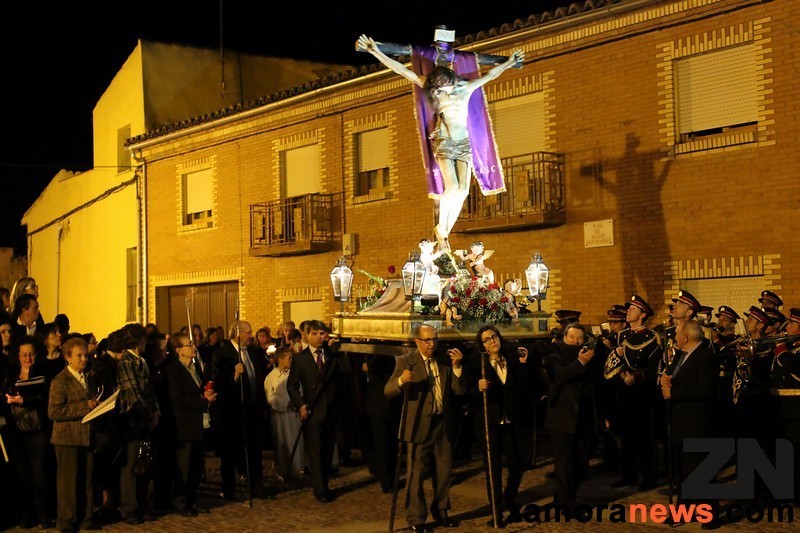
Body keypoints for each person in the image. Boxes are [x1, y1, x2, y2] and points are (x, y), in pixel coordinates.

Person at [357, 34, 523, 250]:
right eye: (439, 90)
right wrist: (375, 51)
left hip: (464, 142)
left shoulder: (465, 88)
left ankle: (444, 232)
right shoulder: (433, 87)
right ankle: (441, 230)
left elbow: (491, 75)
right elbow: (402, 70)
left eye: (446, 88)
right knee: (452, 186)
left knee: (463, 190)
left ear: (453, 81)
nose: (443, 92)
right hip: (444, 141)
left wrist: (510, 62)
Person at [384, 324, 465, 533]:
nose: (432, 344)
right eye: (427, 340)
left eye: (434, 340)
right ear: (417, 341)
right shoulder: (406, 361)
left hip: (442, 423)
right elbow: (388, 390)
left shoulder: (445, 360)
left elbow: (458, 390)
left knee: (444, 471)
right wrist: (402, 380)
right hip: (419, 425)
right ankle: (416, 518)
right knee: (416, 474)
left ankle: (441, 509)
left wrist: (457, 368)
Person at [661, 320, 721, 529]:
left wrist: (673, 393)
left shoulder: (706, 357)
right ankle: (684, 511)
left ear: (685, 337)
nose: (674, 338)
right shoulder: (680, 355)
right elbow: (677, 380)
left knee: (702, 469)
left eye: (677, 334)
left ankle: (710, 513)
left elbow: (705, 389)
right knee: (684, 471)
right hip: (680, 421)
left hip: (697, 422)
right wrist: (667, 382)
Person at [470, 325, 532, 526]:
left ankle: (510, 498)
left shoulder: (512, 360)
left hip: (511, 421)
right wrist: (478, 388)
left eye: (493, 337)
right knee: (492, 469)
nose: (491, 341)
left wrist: (523, 367)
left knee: (517, 464)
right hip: (490, 423)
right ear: (482, 346)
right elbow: (467, 395)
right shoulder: (478, 364)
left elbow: (523, 389)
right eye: (486, 340)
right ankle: (496, 511)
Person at [287, 320, 349, 503]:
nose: (320, 337)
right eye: (316, 334)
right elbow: (292, 385)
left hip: (331, 409)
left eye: (323, 334)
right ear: (308, 335)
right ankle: (319, 488)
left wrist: (338, 350)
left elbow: (345, 372)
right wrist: (300, 404)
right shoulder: (300, 358)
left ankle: (325, 483)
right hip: (313, 411)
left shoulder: (332, 355)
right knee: (315, 450)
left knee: (328, 450)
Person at [604, 295, 661, 491]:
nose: (628, 312)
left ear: (642, 314)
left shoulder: (652, 337)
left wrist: (637, 378)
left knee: (644, 436)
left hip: (642, 393)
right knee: (626, 435)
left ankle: (648, 475)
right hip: (624, 392)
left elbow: (656, 368)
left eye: (633, 309)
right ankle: (628, 474)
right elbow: (617, 362)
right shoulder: (623, 336)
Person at [543, 323, 597, 514]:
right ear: (564, 337)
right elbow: (559, 377)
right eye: (572, 337)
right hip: (562, 417)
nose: (576, 342)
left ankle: (563, 497)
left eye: (580, 338)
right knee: (564, 463)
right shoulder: (554, 355)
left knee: (577, 462)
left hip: (582, 416)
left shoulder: (589, 356)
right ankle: (567, 503)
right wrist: (580, 363)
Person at [211, 320, 267, 500]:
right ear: (237, 333)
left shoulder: (252, 351)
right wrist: (234, 376)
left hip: (252, 408)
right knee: (229, 452)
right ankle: (229, 487)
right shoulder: (222, 354)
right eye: (247, 332)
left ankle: (256, 484)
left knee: (254, 450)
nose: (251, 336)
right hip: (232, 410)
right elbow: (216, 380)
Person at [1, 337, 53, 528]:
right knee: (22, 474)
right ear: (18, 355)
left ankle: (44, 514)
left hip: (37, 427)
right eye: (24, 354)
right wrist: (9, 399)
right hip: (16, 430)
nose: (27, 357)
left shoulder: (42, 372)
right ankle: (27, 514)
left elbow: (46, 397)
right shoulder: (10, 374)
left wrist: (25, 401)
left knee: (39, 472)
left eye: (31, 354)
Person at [48, 337, 98, 532]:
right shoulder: (60, 381)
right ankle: (67, 520)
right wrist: (84, 407)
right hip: (67, 438)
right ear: (68, 357)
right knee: (68, 483)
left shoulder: (88, 377)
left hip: (87, 436)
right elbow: (54, 412)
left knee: (87, 480)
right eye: (79, 356)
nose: (84, 359)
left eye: (85, 355)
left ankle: (87, 517)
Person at [166, 332, 216, 516]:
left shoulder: (195, 368)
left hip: (198, 425)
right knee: (184, 468)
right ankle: (181, 502)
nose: (193, 347)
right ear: (178, 350)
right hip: (184, 426)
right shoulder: (173, 370)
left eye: (192, 344)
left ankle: (192, 499)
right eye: (188, 345)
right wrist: (203, 402)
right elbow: (178, 400)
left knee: (195, 466)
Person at [116, 323, 161, 525]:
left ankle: (142, 504)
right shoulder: (126, 363)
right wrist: (149, 413)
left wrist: (156, 411)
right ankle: (130, 508)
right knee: (131, 465)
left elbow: (150, 390)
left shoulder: (141, 361)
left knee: (144, 463)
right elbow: (132, 394)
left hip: (145, 420)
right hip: (132, 421)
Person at [265, 346, 305, 481]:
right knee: (282, 443)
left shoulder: (293, 375)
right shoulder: (271, 377)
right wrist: (284, 404)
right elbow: (270, 397)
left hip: (293, 414)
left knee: (295, 441)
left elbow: (299, 389)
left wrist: (297, 402)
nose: (291, 361)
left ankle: (297, 468)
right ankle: (282, 469)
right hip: (280, 416)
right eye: (289, 358)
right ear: (280, 360)